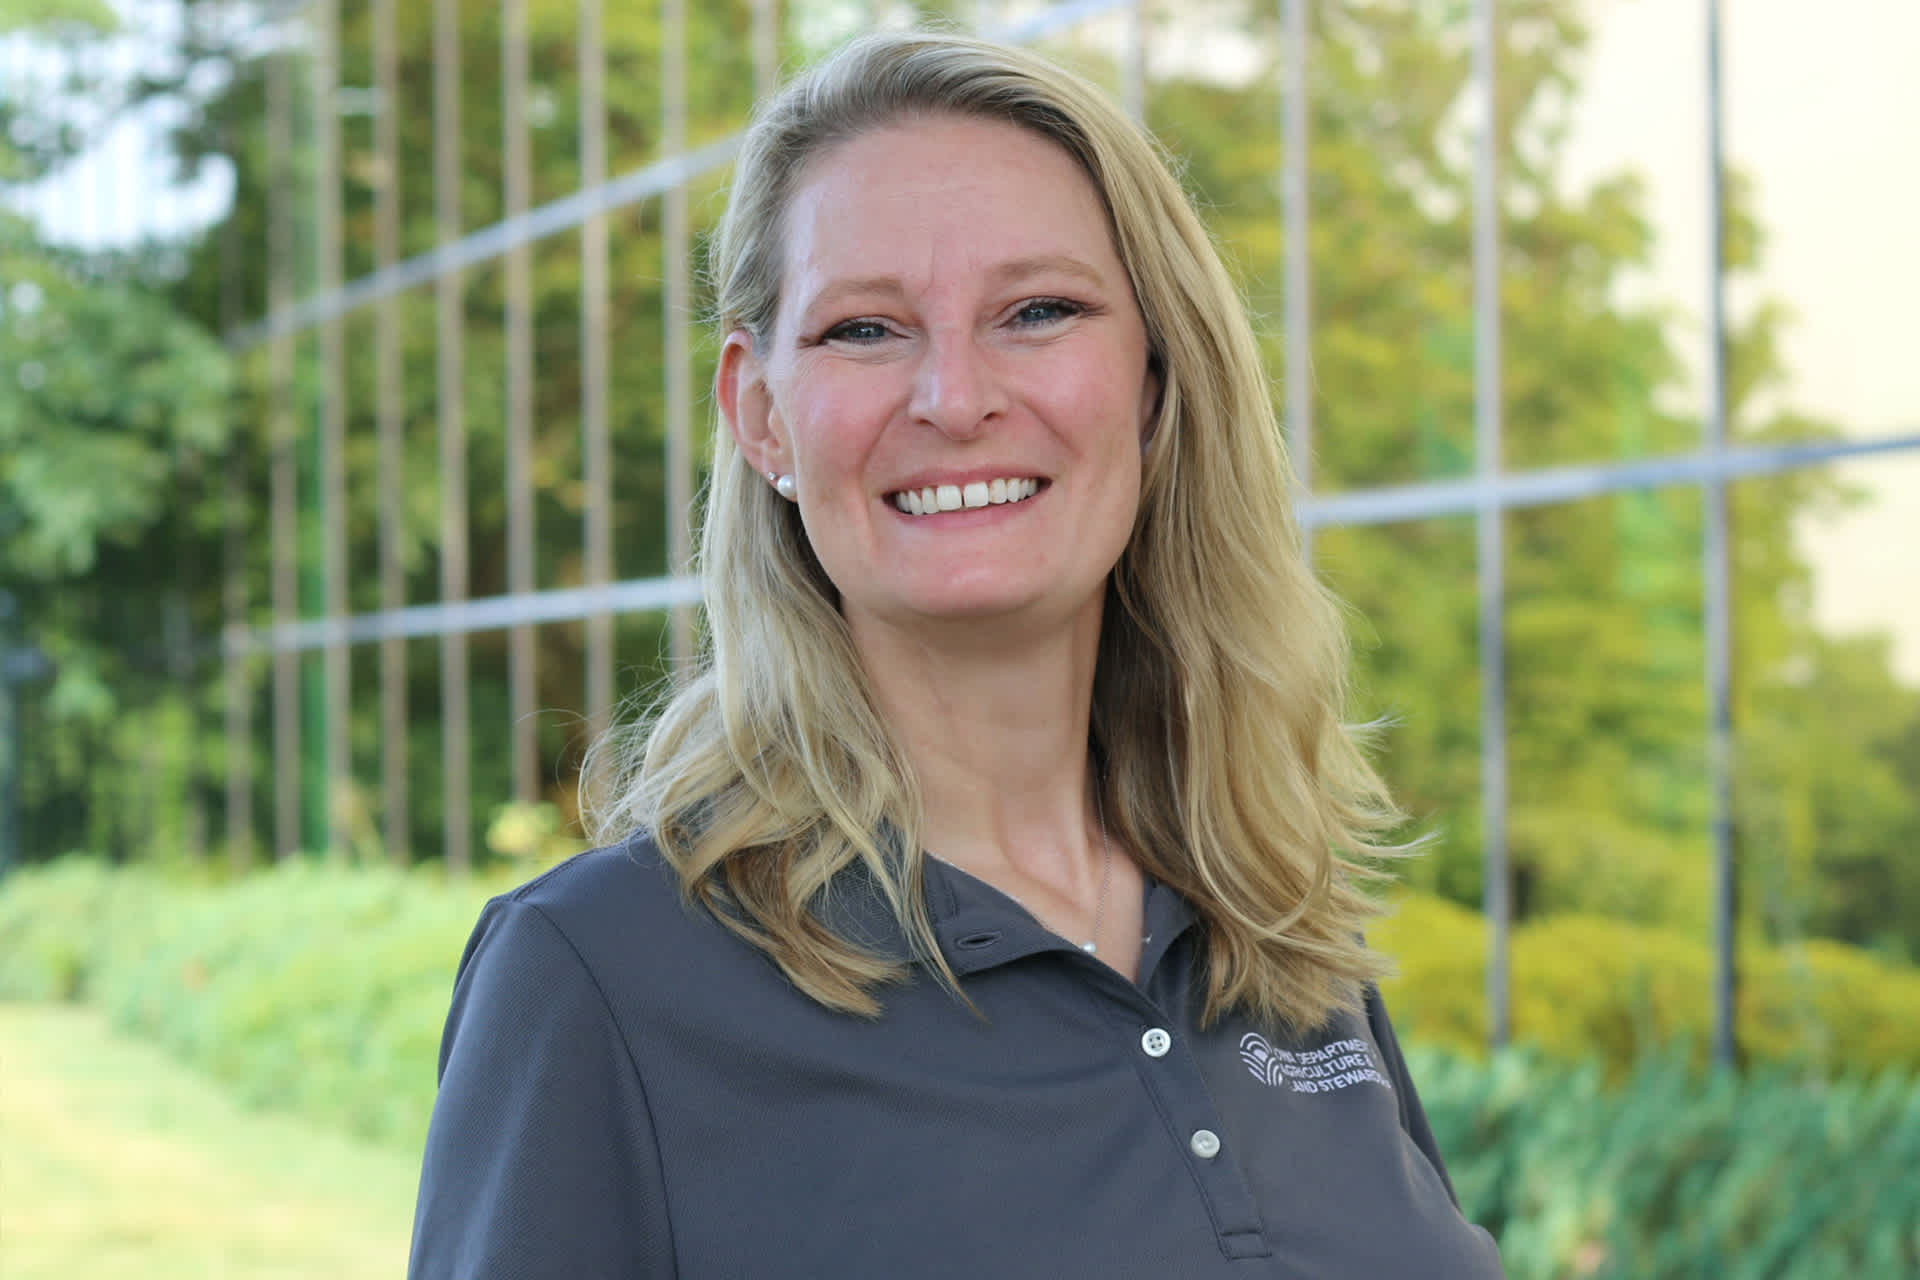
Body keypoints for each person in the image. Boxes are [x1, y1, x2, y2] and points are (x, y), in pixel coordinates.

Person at [409, 29, 1504, 1279]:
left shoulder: (1271, 923)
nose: (954, 396)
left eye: (1039, 311)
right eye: (865, 328)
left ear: (1154, 380)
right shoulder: (600, 978)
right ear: (759, 414)